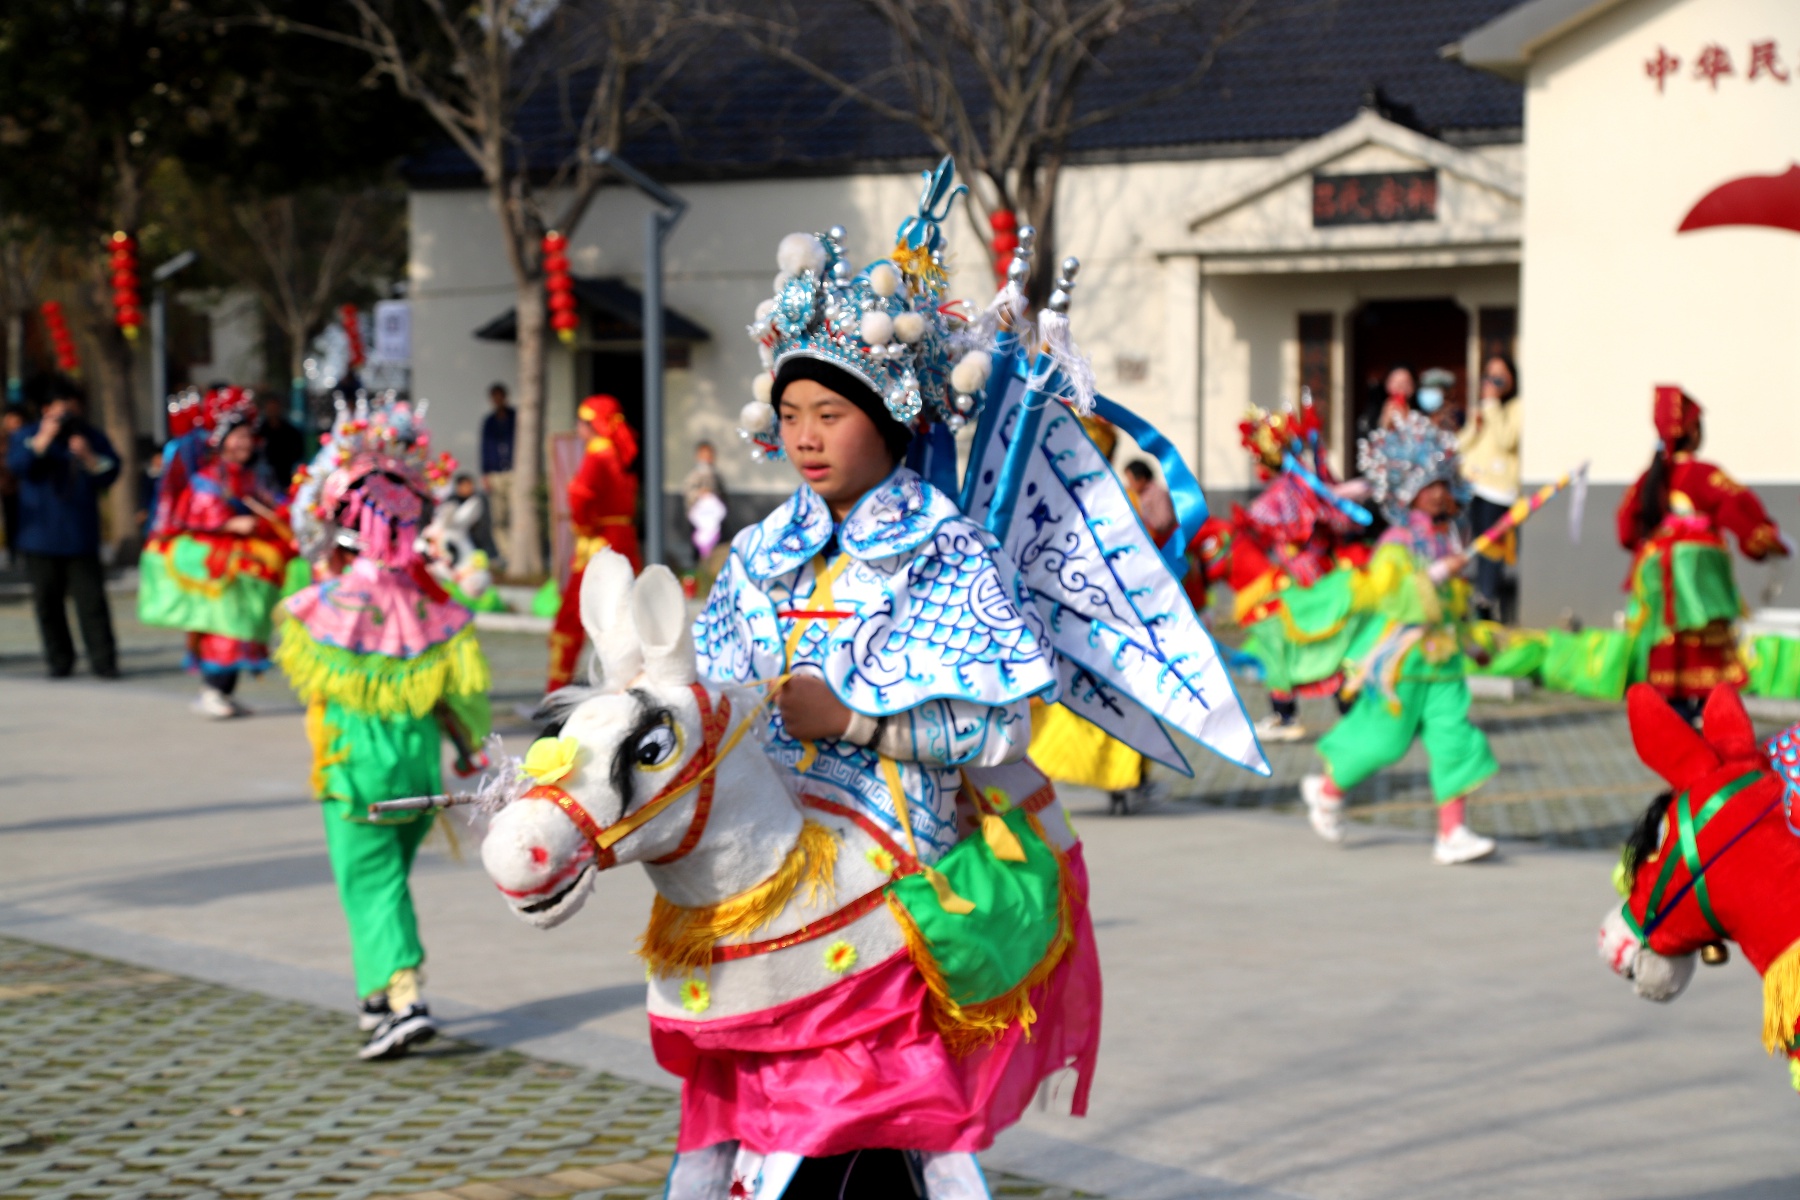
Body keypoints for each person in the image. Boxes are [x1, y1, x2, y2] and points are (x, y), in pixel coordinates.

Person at [279, 395, 491, 1060]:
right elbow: (465, 697)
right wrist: (469, 748)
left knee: (370, 882)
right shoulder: (434, 610)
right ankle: (376, 994)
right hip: (417, 765)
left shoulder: (325, 604)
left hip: (351, 765)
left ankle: (405, 996)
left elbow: (309, 682)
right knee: (384, 879)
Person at [1302, 411, 1498, 865]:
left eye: (1443, 484)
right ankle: (1329, 791)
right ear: (1408, 493)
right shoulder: (1395, 541)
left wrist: (1470, 641)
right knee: (1385, 740)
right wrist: (1431, 575)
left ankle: (1452, 832)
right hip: (1403, 663)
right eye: (1429, 486)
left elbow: (1451, 604)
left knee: (1455, 739)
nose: (1438, 494)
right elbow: (1391, 597)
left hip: (1444, 662)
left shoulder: (1449, 538)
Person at [1617, 385, 1787, 725]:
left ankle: (1678, 739)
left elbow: (1626, 529)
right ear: (1694, 431)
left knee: (1670, 681)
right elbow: (1740, 510)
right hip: (1699, 593)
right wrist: (1766, 540)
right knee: (1710, 685)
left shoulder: (1648, 480)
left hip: (1662, 599)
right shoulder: (1705, 475)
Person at [138, 388, 295, 717]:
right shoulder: (208, 477)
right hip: (217, 563)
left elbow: (276, 505)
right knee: (223, 623)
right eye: (236, 437)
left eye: (247, 436)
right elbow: (198, 512)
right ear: (221, 441)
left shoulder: (253, 476)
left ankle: (223, 689)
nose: (244, 443)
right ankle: (212, 687)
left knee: (243, 620)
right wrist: (230, 524)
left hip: (244, 561)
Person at [1220, 401, 1372, 742]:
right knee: (1322, 648)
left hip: (1302, 585)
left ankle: (1288, 714)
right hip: (1315, 577)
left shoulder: (1294, 489)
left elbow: (1265, 522)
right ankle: (1331, 711)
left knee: (1286, 647)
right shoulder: (1307, 484)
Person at [6, 386, 121, 679]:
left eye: (72, 408)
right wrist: (42, 439)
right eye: (60, 409)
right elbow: (17, 466)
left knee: (92, 603)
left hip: (80, 534)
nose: (67, 415)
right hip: (39, 537)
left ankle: (103, 661)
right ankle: (59, 661)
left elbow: (111, 472)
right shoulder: (27, 434)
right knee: (47, 603)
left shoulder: (89, 436)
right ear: (45, 410)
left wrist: (88, 456)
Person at [546, 394, 642, 690]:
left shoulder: (598, 451)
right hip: (624, 541)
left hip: (599, 544)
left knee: (571, 617)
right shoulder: (617, 452)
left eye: (582, 422)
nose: (578, 428)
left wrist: (583, 529)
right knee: (625, 615)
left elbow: (580, 495)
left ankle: (555, 693)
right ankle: (628, 682)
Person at [1459, 355, 1524, 621]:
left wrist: (1493, 405)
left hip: (1498, 492)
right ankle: (1467, 599)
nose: (1493, 381)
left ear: (1512, 379)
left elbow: (1507, 439)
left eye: (1500, 376)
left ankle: (1487, 602)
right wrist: (1475, 425)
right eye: (1489, 375)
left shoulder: (1516, 407)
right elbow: (1461, 445)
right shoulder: (1483, 408)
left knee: (1490, 550)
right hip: (1471, 488)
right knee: (1467, 547)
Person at [480, 382, 515, 568]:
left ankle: (516, 552)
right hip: (495, 473)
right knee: (498, 516)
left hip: (513, 472)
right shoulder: (489, 422)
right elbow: (484, 449)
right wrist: (485, 474)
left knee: (515, 513)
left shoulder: (515, 417)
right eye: (494, 397)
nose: (497, 400)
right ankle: (506, 554)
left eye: (500, 396)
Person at [682, 439, 728, 564]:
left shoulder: (716, 476)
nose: (707, 458)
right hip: (699, 519)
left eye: (709, 454)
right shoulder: (695, 475)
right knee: (698, 547)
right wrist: (699, 494)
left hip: (714, 519)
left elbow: (723, 495)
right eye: (704, 454)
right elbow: (688, 492)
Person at [259, 394, 308, 492]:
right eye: (270, 407)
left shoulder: (291, 431)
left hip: (285, 477)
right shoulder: (259, 431)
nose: (272, 410)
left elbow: (298, 454)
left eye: (275, 407)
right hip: (263, 479)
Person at [1123, 459, 1176, 544]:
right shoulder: (1136, 495)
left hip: (1162, 543)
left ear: (1142, 479)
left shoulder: (1157, 493)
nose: (1130, 484)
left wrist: (1142, 516)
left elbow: (1164, 522)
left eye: (1131, 480)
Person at [0, 403, 26, 566]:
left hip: (26, 486)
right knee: (11, 519)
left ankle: (24, 551)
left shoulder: (27, 437)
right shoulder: (3, 439)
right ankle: (13, 551)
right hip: (8, 487)